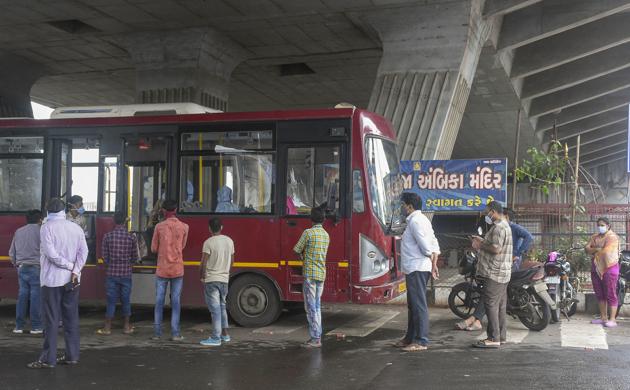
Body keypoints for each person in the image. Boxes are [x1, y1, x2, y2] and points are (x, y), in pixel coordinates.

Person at [27, 198, 88, 369]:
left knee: (51, 320)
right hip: (73, 280)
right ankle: (72, 356)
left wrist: (70, 267)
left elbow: (51, 255)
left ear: (48, 211)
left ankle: (48, 359)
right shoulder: (75, 228)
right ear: (64, 210)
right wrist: (75, 270)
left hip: (52, 281)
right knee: (71, 318)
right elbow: (84, 251)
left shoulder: (46, 227)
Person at [394, 193, 440, 352]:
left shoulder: (415, 222)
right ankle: (410, 338)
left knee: (418, 305)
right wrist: (433, 261)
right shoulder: (421, 220)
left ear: (409, 206)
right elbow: (434, 241)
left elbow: (427, 246)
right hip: (417, 267)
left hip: (417, 268)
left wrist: (432, 258)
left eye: (403, 205)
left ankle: (421, 341)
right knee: (413, 305)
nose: (402, 207)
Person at [470, 201, 512, 349]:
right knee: (500, 305)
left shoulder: (499, 228)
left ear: (493, 211)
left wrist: (479, 245)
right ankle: (501, 336)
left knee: (491, 305)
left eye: (487, 211)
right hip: (503, 272)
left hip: (494, 273)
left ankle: (493, 338)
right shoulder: (504, 225)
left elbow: (496, 249)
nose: (486, 214)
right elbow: (494, 244)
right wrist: (482, 240)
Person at [151, 199, 189, 341]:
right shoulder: (185, 227)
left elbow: (154, 248)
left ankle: (157, 333)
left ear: (163, 211)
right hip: (177, 269)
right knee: (176, 302)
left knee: (159, 301)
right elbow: (183, 246)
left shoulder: (159, 227)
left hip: (162, 269)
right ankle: (175, 333)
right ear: (176, 210)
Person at [293, 207, 330, 348]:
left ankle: (315, 338)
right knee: (317, 306)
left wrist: (303, 258)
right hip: (321, 274)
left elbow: (296, 249)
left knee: (310, 307)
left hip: (309, 274)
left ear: (311, 219)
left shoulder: (308, 233)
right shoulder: (326, 235)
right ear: (324, 219)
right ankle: (317, 335)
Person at [98, 212, 139, 335]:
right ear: (125, 221)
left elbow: (105, 257)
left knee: (111, 301)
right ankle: (126, 327)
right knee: (126, 300)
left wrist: (112, 263)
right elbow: (135, 257)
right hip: (126, 273)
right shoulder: (131, 237)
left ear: (114, 221)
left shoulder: (107, 236)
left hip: (112, 273)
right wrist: (127, 263)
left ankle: (107, 328)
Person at [199, 217, 234, 346]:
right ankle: (225, 335)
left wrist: (202, 276)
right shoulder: (229, 241)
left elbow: (203, 263)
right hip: (224, 279)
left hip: (212, 280)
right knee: (222, 307)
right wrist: (226, 273)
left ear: (209, 229)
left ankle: (215, 338)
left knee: (215, 310)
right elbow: (232, 260)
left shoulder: (208, 242)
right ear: (221, 227)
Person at [9, 209, 43, 334]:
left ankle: (18, 326)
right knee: (35, 296)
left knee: (22, 296)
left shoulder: (19, 231)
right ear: (40, 219)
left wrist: (16, 265)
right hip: (36, 267)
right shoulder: (42, 231)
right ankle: (36, 326)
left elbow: (12, 252)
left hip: (22, 267)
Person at [585, 217, 620, 327]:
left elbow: (606, 252)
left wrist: (594, 248)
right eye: (598, 225)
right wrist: (596, 249)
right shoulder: (595, 236)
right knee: (600, 294)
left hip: (609, 268)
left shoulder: (612, 237)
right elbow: (586, 248)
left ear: (608, 226)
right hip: (596, 268)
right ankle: (603, 317)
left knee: (610, 294)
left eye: (602, 225)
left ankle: (612, 319)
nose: (600, 227)